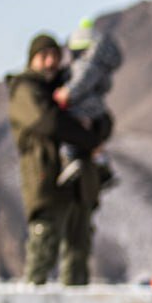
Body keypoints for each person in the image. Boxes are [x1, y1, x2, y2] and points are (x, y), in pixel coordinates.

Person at [6, 33, 103, 286]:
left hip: (79, 182)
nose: (50, 62)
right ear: (32, 60)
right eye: (44, 56)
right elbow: (47, 121)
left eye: (55, 56)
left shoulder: (72, 87)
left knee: (78, 247)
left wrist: (93, 128)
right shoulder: (25, 89)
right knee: (44, 243)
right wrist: (87, 136)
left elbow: (104, 120)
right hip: (46, 177)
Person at [54, 17, 122, 189]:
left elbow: (81, 81)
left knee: (71, 133)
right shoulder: (102, 66)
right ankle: (101, 164)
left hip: (81, 107)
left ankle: (70, 161)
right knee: (93, 141)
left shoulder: (86, 65)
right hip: (96, 108)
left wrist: (67, 92)